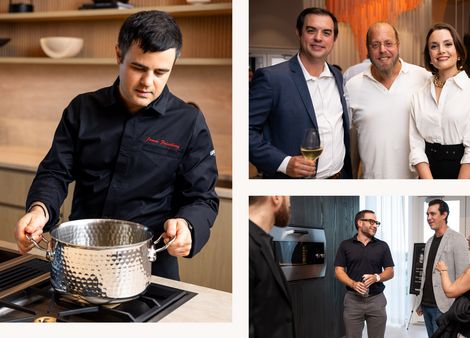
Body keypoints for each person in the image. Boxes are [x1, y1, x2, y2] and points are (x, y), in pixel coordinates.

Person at [14, 10, 219, 280]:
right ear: (119, 56)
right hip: (80, 259)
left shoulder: (189, 121)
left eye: (161, 72)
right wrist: (39, 209)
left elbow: (202, 197)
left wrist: (189, 226)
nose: (148, 82)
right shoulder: (82, 109)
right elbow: (55, 171)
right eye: (139, 68)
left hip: (150, 268)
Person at [249, 7, 351, 179]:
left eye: (326, 33)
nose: (318, 38)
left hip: (339, 178)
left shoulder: (338, 76)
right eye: (311, 31)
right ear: (299, 32)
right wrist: (284, 163)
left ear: (334, 39)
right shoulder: (273, 79)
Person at [345, 22, 429, 179]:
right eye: (375, 45)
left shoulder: (423, 78)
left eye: (388, 43)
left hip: (416, 186)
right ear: (368, 49)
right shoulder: (352, 87)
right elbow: (352, 145)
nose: (382, 50)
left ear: (398, 45)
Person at [409, 23, 470, 179]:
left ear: (458, 51)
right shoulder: (418, 95)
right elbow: (416, 147)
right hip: (428, 174)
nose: (441, 50)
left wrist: (457, 193)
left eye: (448, 44)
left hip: (465, 174)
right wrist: (430, 187)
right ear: (429, 57)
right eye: (434, 46)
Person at [334, 210, 394, 338]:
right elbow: (338, 271)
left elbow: (390, 271)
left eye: (376, 222)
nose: (375, 225)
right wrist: (353, 283)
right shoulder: (345, 245)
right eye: (371, 222)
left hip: (376, 300)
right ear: (360, 223)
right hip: (352, 301)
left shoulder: (382, 246)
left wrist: (377, 277)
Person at [415, 199, 470, 338]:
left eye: (432, 214)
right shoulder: (428, 242)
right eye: (427, 214)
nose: (428, 218)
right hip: (426, 304)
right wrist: (420, 302)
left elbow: (463, 277)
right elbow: (426, 274)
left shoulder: (458, 239)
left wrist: (456, 309)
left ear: (444, 214)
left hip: (445, 306)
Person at [249, 196, 295, 338]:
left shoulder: (262, 241)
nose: (290, 204)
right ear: (276, 197)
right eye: (289, 198)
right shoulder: (248, 244)